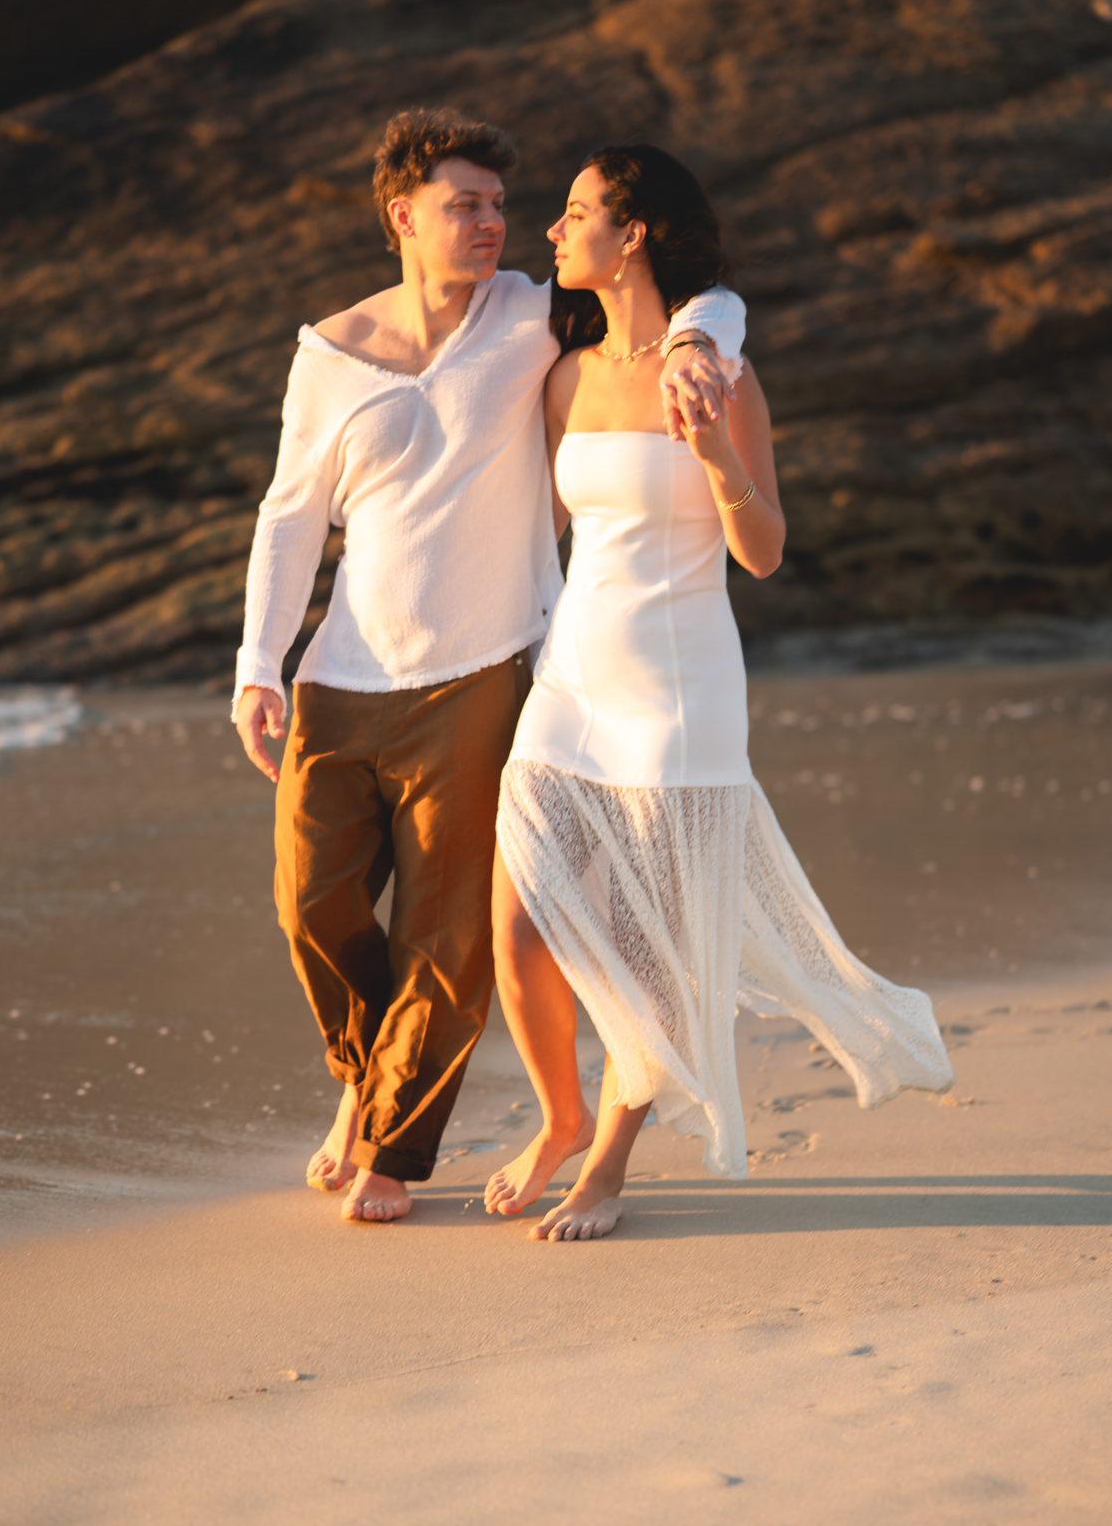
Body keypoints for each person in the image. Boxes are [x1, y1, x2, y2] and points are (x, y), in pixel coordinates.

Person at [233, 108, 746, 1223]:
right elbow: (288, 515)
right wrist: (258, 664)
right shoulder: (329, 353)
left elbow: (685, 288)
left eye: (501, 206)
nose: (492, 223)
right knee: (310, 908)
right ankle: (369, 1083)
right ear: (402, 217)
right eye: (465, 204)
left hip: (482, 678)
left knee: (448, 935)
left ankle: (394, 1152)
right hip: (339, 678)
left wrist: (708, 341)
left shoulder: (530, 315)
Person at [486, 144, 954, 1241]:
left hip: (678, 686)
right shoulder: (564, 375)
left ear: (633, 231)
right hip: (572, 678)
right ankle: (561, 1115)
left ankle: (606, 1164)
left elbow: (764, 550)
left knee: (650, 945)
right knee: (519, 918)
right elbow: (540, 534)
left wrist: (718, 461)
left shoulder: (718, 378)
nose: (553, 234)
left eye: (573, 213)